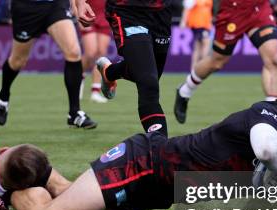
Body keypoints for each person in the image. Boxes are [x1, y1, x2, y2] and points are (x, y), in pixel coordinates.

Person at [11, 76, 277, 210]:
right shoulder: (270, 115)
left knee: (69, 196)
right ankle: (6, 179)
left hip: (157, 191)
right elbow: (268, 151)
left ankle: (41, 175)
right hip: (143, 165)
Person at [0, 0, 97, 129]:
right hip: (26, 8)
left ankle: (74, 113)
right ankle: (3, 95)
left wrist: (80, 4)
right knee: (18, 61)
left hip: (54, 5)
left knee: (73, 53)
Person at [174, 0, 277, 124]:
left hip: (259, 8)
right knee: (217, 61)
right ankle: (185, 90)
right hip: (233, 11)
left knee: (273, 59)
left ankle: (273, 115)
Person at [75, 0, 172, 136]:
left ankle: (109, 72)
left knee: (151, 74)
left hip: (161, 12)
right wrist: (80, 3)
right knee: (148, 83)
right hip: (127, 10)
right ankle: (160, 148)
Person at [78, 0, 111, 103]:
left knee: (101, 53)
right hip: (88, 14)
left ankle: (95, 91)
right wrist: (78, 14)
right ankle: (78, 78)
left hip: (105, 16)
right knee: (90, 52)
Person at [179, 0, 212, 71]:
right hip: (198, 24)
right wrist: (183, 21)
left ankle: (194, 68)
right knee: (206, 42)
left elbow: (208, 10)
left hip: (206, 25)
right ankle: (202, 66)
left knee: (198, 46)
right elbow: (186, 8)